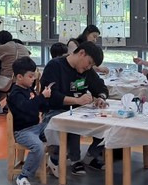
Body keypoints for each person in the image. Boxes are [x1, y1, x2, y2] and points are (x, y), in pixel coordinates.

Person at [41, 41, 109, 175]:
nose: (89, 67)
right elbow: (51, 96)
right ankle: (60, 159)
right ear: (81, 53)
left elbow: (100, 87)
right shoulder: (55, 66)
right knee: (67, 125)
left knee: (106, 124)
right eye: (89, 63)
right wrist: (77, 100)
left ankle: (90, 156)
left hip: (79, 111)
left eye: (92, 65)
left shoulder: (87, 71)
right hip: (56, 110)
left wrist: (101, 97)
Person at [8, 56, 53, 185]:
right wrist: (42, 97)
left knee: (56, 129)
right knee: (38, 146)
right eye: (30, 76)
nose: (33, 79)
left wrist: (46, 99)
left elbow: (39, 107)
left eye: (34, 76)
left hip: (36, 127)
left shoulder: (29, 89)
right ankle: (23, 176)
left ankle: (54, 161)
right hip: (22, 131)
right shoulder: (15, 94)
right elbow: (27, 107)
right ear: (19, 77)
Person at [0, 30, 31, 114]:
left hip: (9, 81)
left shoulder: (1, 48)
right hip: (24, 80)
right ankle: (8, 106)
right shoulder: (23, 47)